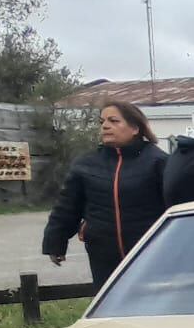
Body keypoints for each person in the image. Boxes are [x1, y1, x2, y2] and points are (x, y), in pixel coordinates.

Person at [42, 100, 167, 288]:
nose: (106, 126)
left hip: (150, 251)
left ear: (135, 128)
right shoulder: (86, 164)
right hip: (103, 254)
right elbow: (67, 207)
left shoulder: (159, 162)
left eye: (114, 121)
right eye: (102, 122)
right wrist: (55, 241)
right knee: (110, 307)